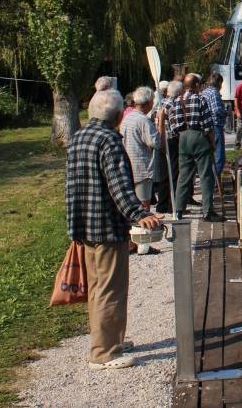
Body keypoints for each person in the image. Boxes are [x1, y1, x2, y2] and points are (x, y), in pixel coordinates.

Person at [66, 90, 162, 370]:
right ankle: (104, 352)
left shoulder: (79, 137)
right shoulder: (109, 140)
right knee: (111, 290)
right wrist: (140, 214)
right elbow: (119, 186)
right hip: (107, 225)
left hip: (85, 225)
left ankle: (110, 339)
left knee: (97, 288)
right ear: (120, 115)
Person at [169, 74, 222, 222]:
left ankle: (178, 210)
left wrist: (182, 134)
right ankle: (207, 211)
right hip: (199, 136)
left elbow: (173, 123)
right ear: (197, 85)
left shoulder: (177, 101)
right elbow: (208, 124)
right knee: (205, 176)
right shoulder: (200, 99)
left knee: (183, 176)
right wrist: (212, 142)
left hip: (183, 138)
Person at [120, 87, 161, 227]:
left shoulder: (127, 118)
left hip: (128, 166)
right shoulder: (143, 120)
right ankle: (143, 243)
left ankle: (134, 241)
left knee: (132, 206)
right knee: (144, 206)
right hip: (141, 168)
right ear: (149, 102)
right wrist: (161, 122)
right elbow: (156, 142)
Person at [154, 80, 182, 215]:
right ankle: (172, 206)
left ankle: (162, 205)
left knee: (164, 173)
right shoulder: (174, 104)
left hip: (160, 139)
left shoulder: (162, 102)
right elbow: (175, 127)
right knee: (174, 173)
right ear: (178, 93)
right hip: (171, 141)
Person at [200, 73, 227, 177]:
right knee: (220, 157)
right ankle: (213, 181)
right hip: (215, 126)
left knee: (210, 156)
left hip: (207, 126)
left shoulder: (204, 92)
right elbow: (216, 110)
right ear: (219, 83)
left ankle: (210, 179)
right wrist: (226, 112)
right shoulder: (214, 93)